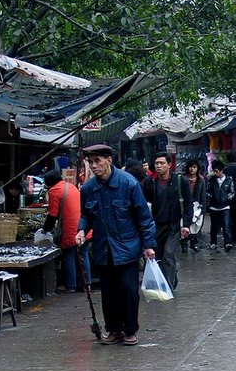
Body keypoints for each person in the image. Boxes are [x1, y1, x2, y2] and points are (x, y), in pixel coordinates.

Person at [75, 144, 156, 346]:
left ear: (109, 160)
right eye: (90, 162)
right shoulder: (88, 189)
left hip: (127, 248)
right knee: (108, 292)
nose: (93, 166)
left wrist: (148, 246)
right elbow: (86, 215)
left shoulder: (128, 184)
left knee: (128, 291)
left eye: (97, 161)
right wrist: (81, 229)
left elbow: (143, 217)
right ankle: (113, 330)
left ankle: (130, 330)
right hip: (103, 249)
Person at [141, 152, 193, 291]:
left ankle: (167, 288)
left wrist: (186, 225)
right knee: (156, 256)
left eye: (162, 163)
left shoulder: (180, 181)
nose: (158, 166)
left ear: (169, 165)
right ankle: (164, 280)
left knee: (168, 254)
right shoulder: (149, 182)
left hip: (173, 226)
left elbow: (189, 204)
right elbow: (142, 204)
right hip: (155, 226)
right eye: (156, 163)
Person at [42, 169, 91, 293]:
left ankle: (70, 285)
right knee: (83, 254)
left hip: (71, 228)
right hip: (83, 226)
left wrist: (45, 230)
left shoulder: (54, 191)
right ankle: (86, 285)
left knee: (68, 255)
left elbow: (52, 214)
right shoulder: (71, 186)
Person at [206, 160, 234, 251]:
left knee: (226, 226)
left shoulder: (229, 180)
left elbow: (232, 192)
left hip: (225, 206)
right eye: (214, 171)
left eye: (217, 171)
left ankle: (227, 243)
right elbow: (207, 191)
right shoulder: (211, 180)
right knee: (213, 226)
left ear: (222, 170)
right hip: (214, 207)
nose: (215, 173)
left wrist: (227, 198)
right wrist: (212, 196)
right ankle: (213, 242)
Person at [181, 158, 206, 253]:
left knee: (195, 225)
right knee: (184, 224)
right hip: (184, 204)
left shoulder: (201, 180)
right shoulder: (182, 178)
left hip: (196, 205)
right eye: (190, 167)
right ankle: (183, 244)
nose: (192, 169)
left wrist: (203, 209)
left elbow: (202, 195)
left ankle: (193, 243)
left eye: (194, 167)